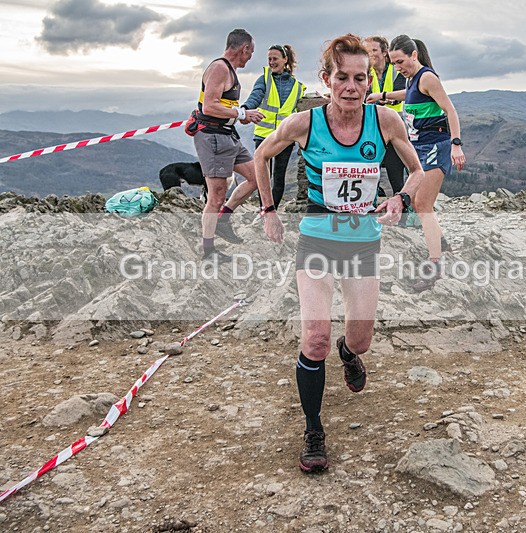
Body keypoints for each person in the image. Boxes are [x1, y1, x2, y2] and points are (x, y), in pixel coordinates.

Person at [254, 34, 424, 473]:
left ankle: (350, 355)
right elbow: (260, 154)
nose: (352, 87)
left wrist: (400, 199)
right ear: (327, 79)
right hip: (316, 239)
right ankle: (313, 429)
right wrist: (269, 209)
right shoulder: (304, 123)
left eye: (360, 78)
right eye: (342, 78)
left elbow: (418, 171)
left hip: (363, 243)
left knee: (360, 337)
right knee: (314, 338)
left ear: (370, 80)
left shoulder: (385, 121)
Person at [388, 35, 465, 292]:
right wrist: (384, 95)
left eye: (400, 61)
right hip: (419, 147)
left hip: (436, 146)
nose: (398, 67)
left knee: (422, 204)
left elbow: (450, 110)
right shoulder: (412, 79)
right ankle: (442, 246)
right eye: (393, 64)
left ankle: (435, 267)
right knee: (422, 203)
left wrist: (456, 144)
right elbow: (409, 94)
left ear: (413, 55)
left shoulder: (428, 77)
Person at [192, 28, 265, 258]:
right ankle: (208, 250)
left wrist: (240, 115)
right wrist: (242, 115)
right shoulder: (219, 68)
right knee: (216, 195)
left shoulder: (228, 70)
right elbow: (209, 107)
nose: (251, 57)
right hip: (212, 137)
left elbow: (221, 106)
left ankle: (224, 217)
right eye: (251, 52)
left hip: (227, 135)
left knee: (258, 178)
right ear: (244, 48)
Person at [241, 44, 306, 209]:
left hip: (285, 137)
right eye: (269, 59)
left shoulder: (298, 87)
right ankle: (265, 208)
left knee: (279, 176)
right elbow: (255, 96)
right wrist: (245, 109)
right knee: (263, 176)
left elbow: (301, 109)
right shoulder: (264, 78)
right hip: (263, 134)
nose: (271, 62)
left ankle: (272, 210)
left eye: (275, 59)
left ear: (285, 60)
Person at [363, 36, 408, 197]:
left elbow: (402, 93)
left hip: (395, 125)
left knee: (395, 167)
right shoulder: (366, 73)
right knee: (370, 164)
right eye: (367, 51)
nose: (370, 54)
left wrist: (380, 97)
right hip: (372, 125)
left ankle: (403, 206)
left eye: (374, 50)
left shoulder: (396, 70)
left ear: (384, 52)